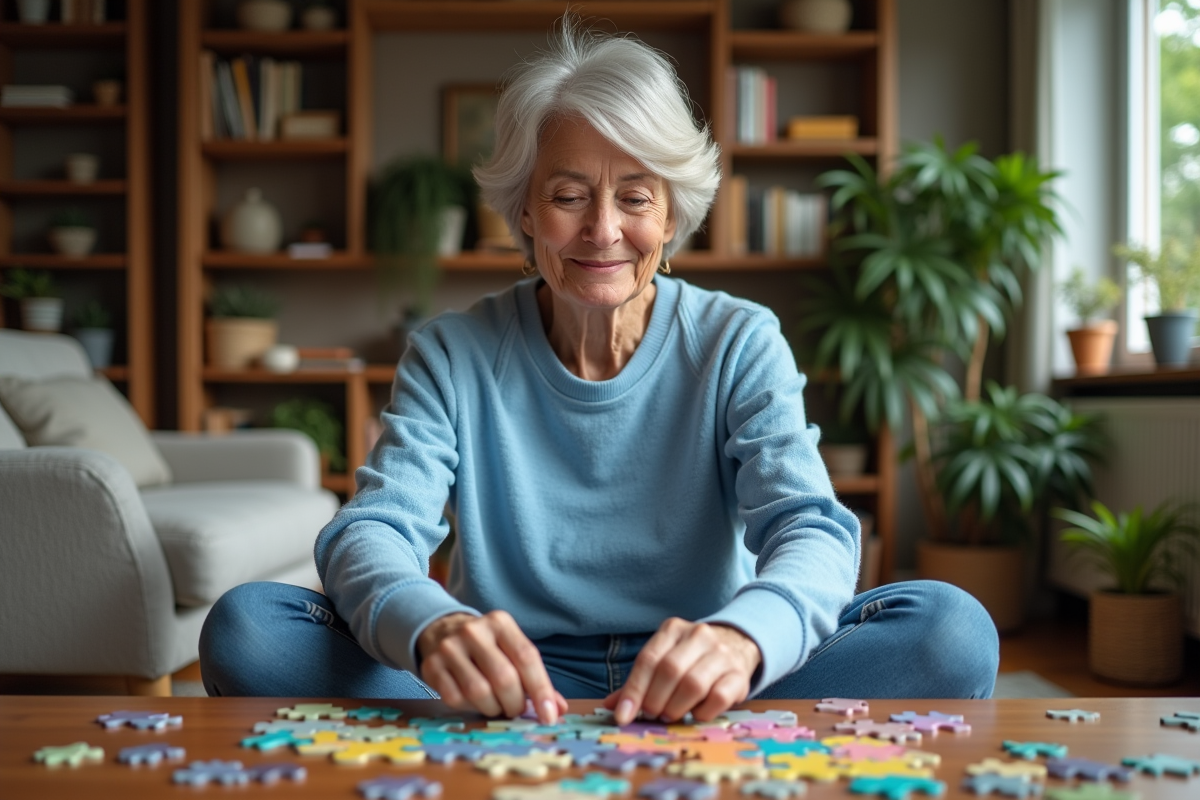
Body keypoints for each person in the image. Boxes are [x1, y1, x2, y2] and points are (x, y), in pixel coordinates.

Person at [199, 19, 999, 726]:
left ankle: (685, 704)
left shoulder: (738, 340)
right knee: (248, 627)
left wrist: (741, 639)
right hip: (508, 678)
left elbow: (811, 529)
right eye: (569, 195)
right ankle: (531, 713)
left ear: (672, 215)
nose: (604, 231)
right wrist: (435, 627)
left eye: (636, 198)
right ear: (523, 210)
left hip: (701, 672)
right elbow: (374, 530)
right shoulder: (451, 351)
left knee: (950, 630)